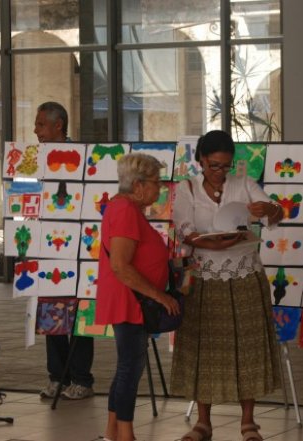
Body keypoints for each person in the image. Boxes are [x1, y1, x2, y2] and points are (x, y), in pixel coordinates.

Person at [170, 130, 283, 441]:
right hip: (205, 277)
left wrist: (269, 210)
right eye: (215, 166)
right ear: (202, 161)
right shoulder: (187, 188)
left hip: (243, 273)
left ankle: (249, 421)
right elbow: (184, 229)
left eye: (226, 166)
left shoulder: (243, 183)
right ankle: (203, 422)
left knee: (249, 344)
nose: (221, 173)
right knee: (204, 346)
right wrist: (207, 241)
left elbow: (276, 214)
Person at [95, 153, 180, 441]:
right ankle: (125, 434)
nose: (160, 189)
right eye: (157, 183)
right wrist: (158, 296)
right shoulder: (125, 211)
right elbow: (120, 265)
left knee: (127, 366)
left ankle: (112, 432)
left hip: (133, 301)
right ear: (139, 185)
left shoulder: (128, 209)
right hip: (130, 301)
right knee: (130, 367)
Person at [34, 101, 95, 400]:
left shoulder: (81, 157)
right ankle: (57, 376)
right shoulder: (34, 160)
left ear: (59, 126)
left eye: (41, 124)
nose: (36, 131)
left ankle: (82, 379)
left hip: (80, 249)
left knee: (80, 316)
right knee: (52, 313)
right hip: (47, 247)